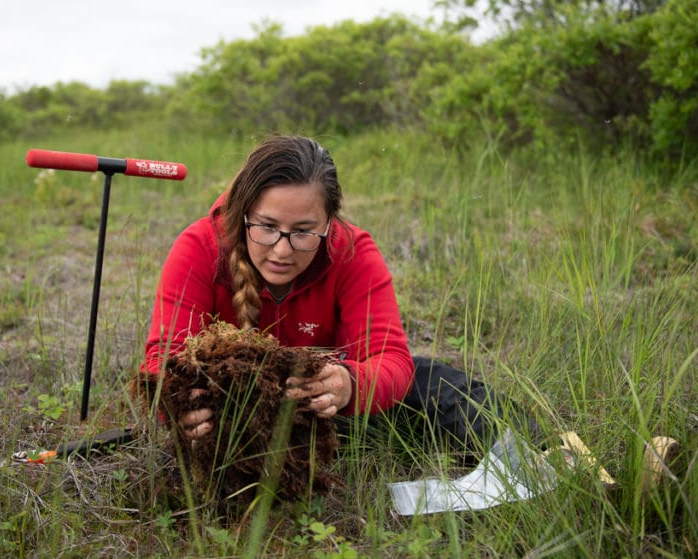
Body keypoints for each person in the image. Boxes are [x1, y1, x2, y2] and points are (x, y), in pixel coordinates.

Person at [139, 135, 536, 460]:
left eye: (303, 231)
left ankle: (550, 454)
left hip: (325, 404)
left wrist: (350, 385)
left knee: (434, 385)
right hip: (232, 412)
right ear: (243, 213)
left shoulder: (354, 251)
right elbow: (161, 363)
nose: (281, 250)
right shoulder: (199, 246)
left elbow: (391, 359)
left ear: (330, 222)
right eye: (266, 226)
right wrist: (182, 407)